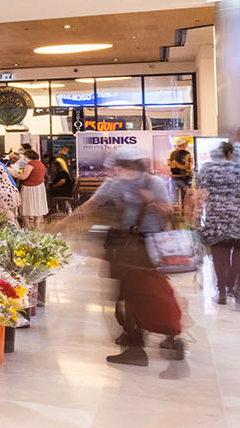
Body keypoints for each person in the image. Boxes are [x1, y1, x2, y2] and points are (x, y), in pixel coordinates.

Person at [59, 147, 183, 370]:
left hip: (148, 245)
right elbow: (92, 204)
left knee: (144, 294)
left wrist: (150, 203)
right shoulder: (113, 183)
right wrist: (66, 221)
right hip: (122, 246)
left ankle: (140, 345)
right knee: (128, 296)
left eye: (124, 165)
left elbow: (169, 212)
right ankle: (140, 337)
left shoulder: (152, 183)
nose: (119, 170)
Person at [197, 141, 240, 305]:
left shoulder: (207, 169)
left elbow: (201, 195)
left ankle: (221, 291)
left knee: (219, 258)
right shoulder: (238, 168)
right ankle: (233, 286)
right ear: (230, 154)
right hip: (237, 219)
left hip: (216, 220)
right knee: (237, 256)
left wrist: (196, 218)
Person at [18, 148, 49, 230]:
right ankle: (37, 225)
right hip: (39, 188)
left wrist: (14, 175)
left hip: (29, 188)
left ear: (28, 156)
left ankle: (27, 226)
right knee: (38, 206)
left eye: (24, 156)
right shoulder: (41, 164)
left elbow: (24, 177)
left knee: (25, 207)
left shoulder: (30, 164)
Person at [48, 146, 75, 215]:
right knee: (50, 191)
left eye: (53, 167)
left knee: (48, 192)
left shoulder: (62, 172)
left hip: (65, 192)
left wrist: (54, 186)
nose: (52, 168)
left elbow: (62, 181)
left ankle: (51, 209)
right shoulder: (62, 171)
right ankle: (53, 208)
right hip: (67, 190)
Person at [168, 138, 194, 207]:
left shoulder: (173, 153)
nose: (187, 144)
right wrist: (188, 162)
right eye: (186, 143)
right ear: (183, 144)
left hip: (178, 177)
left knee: (180, 195)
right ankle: (183, 208)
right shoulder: (182, 154)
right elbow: (187, 167)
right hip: (180, 178)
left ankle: (181, 208)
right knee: (185, 193)